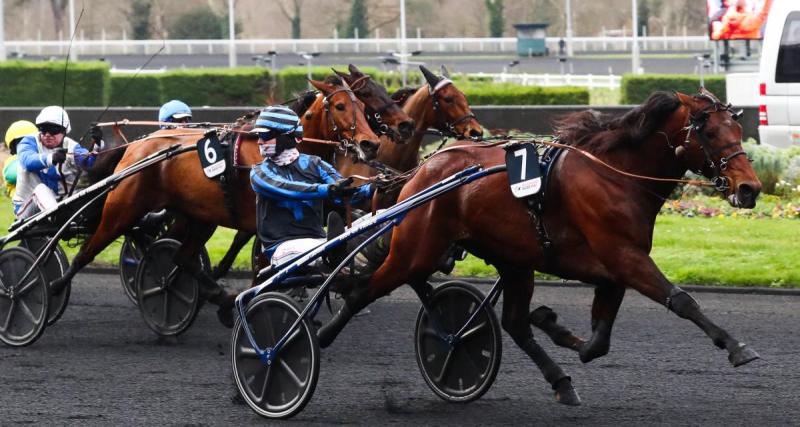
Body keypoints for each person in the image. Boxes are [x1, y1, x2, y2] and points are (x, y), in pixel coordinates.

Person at [249, 106, 373, 268]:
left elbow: (346, 195)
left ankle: (362, 254)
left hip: (318, 240)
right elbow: (289, 189)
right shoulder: (259, 172)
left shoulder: (316, 163)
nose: (259, 141)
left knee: (383, 220)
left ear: (289, 137)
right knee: (334, 247)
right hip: (281, 246)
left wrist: (374, 187)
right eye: (259, 136)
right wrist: (327, 190)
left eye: (265, 136)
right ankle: (340, 252)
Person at [13, 106, 102, 217]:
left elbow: (88, 163)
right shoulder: (28, 142)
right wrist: (52, 158)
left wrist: (97, 145)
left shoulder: (72, 146)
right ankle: (57, 217)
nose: (47, 134)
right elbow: (28, 162)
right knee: (41, 189)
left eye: (53, 130)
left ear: (65, 131)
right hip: (26, 207)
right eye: (43, 129)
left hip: (59, 203)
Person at [3, 120, 38, 199]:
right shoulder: (11, 161)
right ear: (13, 147)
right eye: (21, 142)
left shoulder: (40, 156)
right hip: (23, 204)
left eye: (30, 141)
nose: (26, 145)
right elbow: (12, 174)